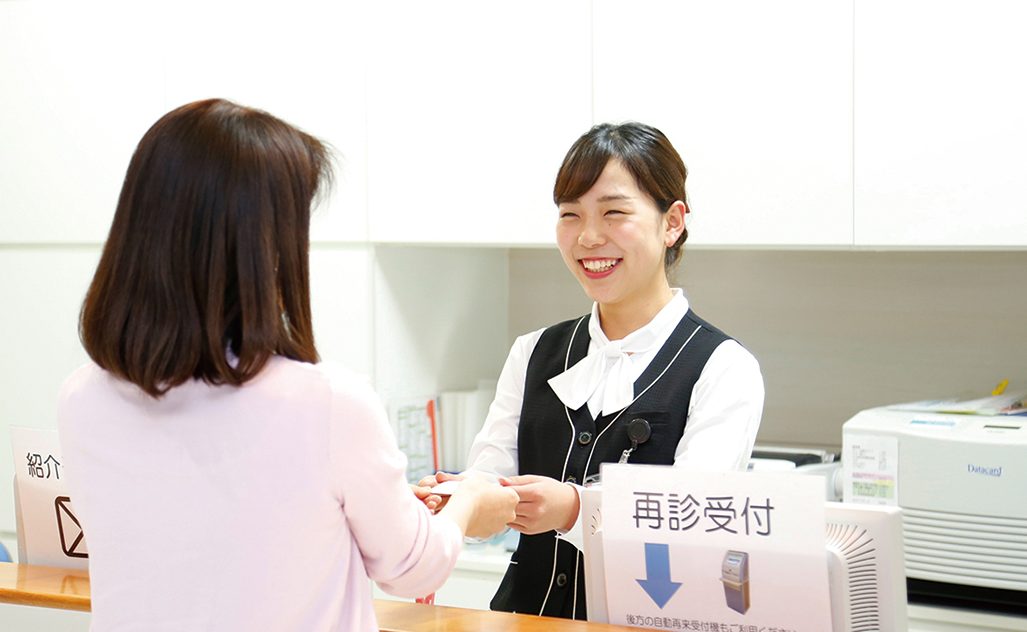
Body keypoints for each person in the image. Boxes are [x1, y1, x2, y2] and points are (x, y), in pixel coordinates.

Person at [57, 98, 517, 632]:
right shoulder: (327, 404)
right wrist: (469, 502)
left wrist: (366, 502)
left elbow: (196, 535)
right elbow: (412, 567)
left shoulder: (82, 398)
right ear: (258, 246)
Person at [419, 122, 764, 620]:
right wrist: (454, 501)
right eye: (570, 214)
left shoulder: (723, 367)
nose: (587, 237)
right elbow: (490, 485)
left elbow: (690, 531)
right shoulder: (533, 351)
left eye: (613, 213)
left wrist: (577, 509)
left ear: (672, 222)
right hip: (522, 621)